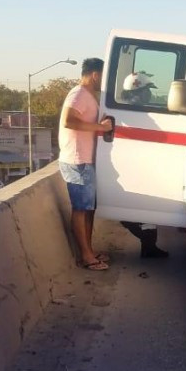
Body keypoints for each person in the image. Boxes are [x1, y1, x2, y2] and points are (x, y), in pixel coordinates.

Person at [58, 57, 115, 271]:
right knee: (81, 210)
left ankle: (89, 250)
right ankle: (86, 256)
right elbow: (68, 120)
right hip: (77, 161)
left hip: (84, 161)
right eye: (104, 76)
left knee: (88, 209)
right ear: (95, 75)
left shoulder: (88, 95)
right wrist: (100, 128)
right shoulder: (78, 94)